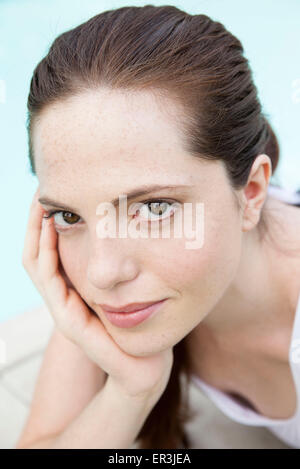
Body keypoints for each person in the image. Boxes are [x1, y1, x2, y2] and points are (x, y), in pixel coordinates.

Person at [16, 5, 300, 449]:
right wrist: (132, 391)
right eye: (70, 215)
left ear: (251, 192)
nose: (102, 273)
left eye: (153, 209)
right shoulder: (115, 279)